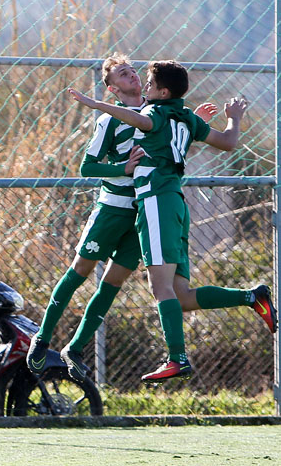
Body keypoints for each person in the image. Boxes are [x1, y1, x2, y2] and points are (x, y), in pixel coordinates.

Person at [68, 60, 276, 383]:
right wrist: (234, 118)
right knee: (181, 296)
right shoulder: (188, 117)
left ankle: (177, 358)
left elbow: (137, 118)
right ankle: (251, 296)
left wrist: (97, 105)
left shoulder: (154, 113)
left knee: (159, 287)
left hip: (155, 203)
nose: (145, 88)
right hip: (177, 206)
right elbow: (228, 142)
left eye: (149, 84)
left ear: (162, 92)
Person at [27, 54, 212, 379]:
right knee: (80, 270)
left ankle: (76, 346)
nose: (132, 76)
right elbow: (87, 167)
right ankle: (42, 338)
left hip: (142, 211)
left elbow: (171, 148)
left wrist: (193, 122)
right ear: (112, 89)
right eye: (122, 74)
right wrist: (121, 168)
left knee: (113, 282)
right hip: (112, 209)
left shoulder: (158, 111)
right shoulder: (111, 119)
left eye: (132, 71)